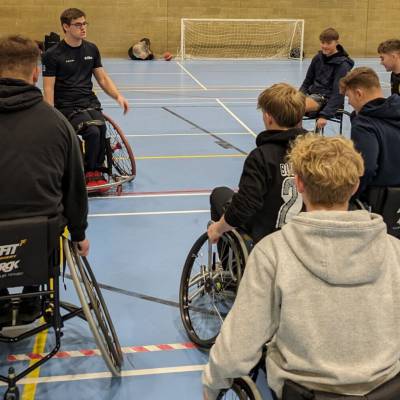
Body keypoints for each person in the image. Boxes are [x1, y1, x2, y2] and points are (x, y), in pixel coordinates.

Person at [202, 134, 400, 400]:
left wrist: (211, 386)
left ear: (299, 184)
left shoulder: (273, 253)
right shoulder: (393, 250)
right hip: (387, 390)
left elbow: (236, 349)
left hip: (304, 392)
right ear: (355, 186)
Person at [0, 35, 89, 323]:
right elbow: (74, 188)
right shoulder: (58, 123)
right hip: (41, 233)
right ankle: (32, 297)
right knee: (48, 231)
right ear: (36, 73)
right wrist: (79, 234)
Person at [207, 83, 307, 245]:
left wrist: (218, 228)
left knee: (219, 195)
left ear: (268, 117)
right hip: (304, 236)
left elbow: (243, 207)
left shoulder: (262, 156)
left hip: (267, 237)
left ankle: (231, 264)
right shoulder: (317, 151)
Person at [42, 8, 130, 187]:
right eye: (78, 25)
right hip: (66, 105)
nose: (83, 28)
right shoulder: (52, 55)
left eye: (84, 23)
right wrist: (50, 115)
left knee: (101, 128)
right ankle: (88, 171)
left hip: (89, 102)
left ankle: (96, 169)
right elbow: (48, 88)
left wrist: (118, 96)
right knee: (91, 131)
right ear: (66, 27)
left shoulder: (91, 48)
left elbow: (103, 78)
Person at [339, 67, 400, 199]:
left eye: (348, 96)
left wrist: (351, 196)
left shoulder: (363, 124)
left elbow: (366, 168)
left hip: (381, 202)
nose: (348, 102)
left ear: (359, 94)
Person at [300, 28, 354, 130]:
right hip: (312, 94)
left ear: (337, 42)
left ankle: (299, 137)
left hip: (327, 100)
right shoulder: (317, 58)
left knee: (294, 108)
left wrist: (325, 114)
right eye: (322, 42)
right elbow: (307, 82)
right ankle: (295, 135)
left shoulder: (343, 65)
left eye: (328, 43)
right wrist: (299, 95)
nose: (324, 46)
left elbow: (338, 93)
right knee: (287, 102)